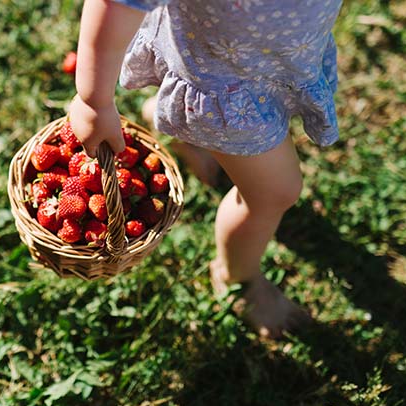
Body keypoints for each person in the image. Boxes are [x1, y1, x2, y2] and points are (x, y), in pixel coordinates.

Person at [69, 0, 343, 338]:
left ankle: (178, 123)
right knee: (274, 194)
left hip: (272, 58)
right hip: (225, 86)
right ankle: (236, 276)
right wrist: (93, 100)